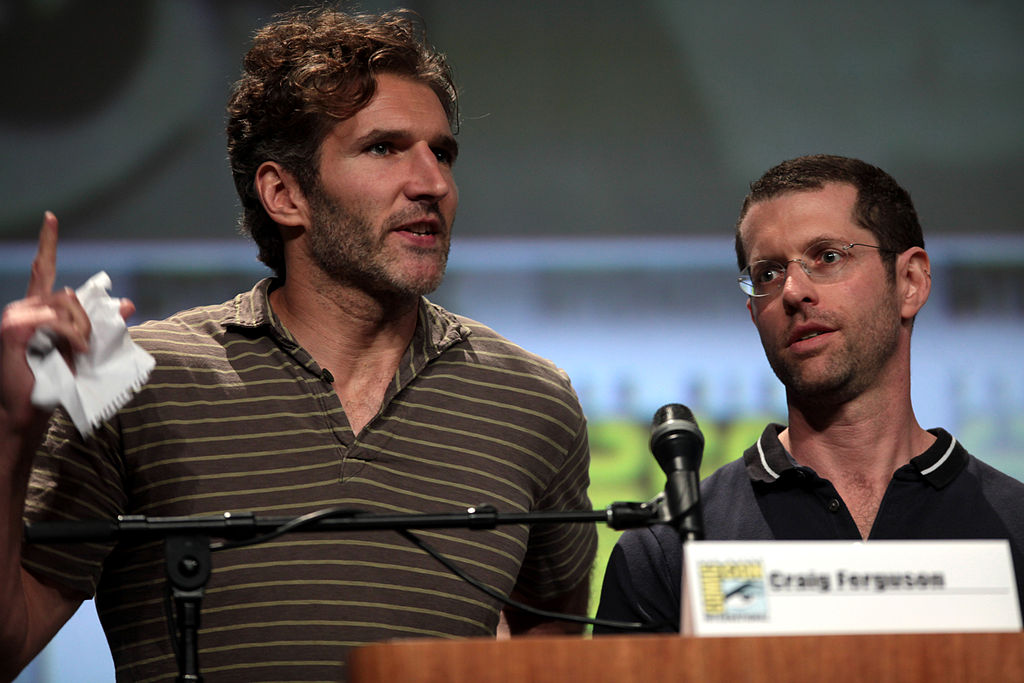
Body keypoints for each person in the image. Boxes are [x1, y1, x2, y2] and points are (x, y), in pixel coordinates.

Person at [0, 8, 596, 681]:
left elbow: (553, 648)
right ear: (284, 193)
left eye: (442, 152)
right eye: (384, 148)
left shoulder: (531, 399)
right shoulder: (138, 379)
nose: (432, 182)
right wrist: (12, 430)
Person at [594, 154, 1024, 632]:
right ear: (755, 314)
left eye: (828, 256)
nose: (794, 291)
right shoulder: (668, 550)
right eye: (768, 274)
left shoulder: (1017, 527)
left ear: (910, 282)